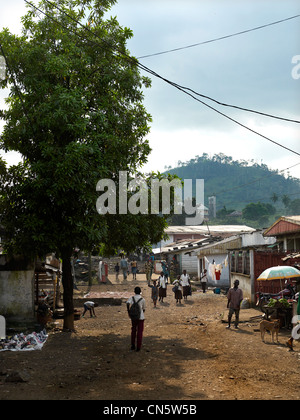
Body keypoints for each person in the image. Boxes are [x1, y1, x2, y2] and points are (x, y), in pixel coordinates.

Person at [126, 286, 146, 352]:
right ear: (140, 292)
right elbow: (143, 309)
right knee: (140, 332)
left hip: (134, 317)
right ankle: (138, 346)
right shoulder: (142, 299)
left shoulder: (132, 298)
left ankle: (132, 345)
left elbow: (127, 303)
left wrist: (128, 311)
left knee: (133, 330)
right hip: (141, 317)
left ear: (134, 292)